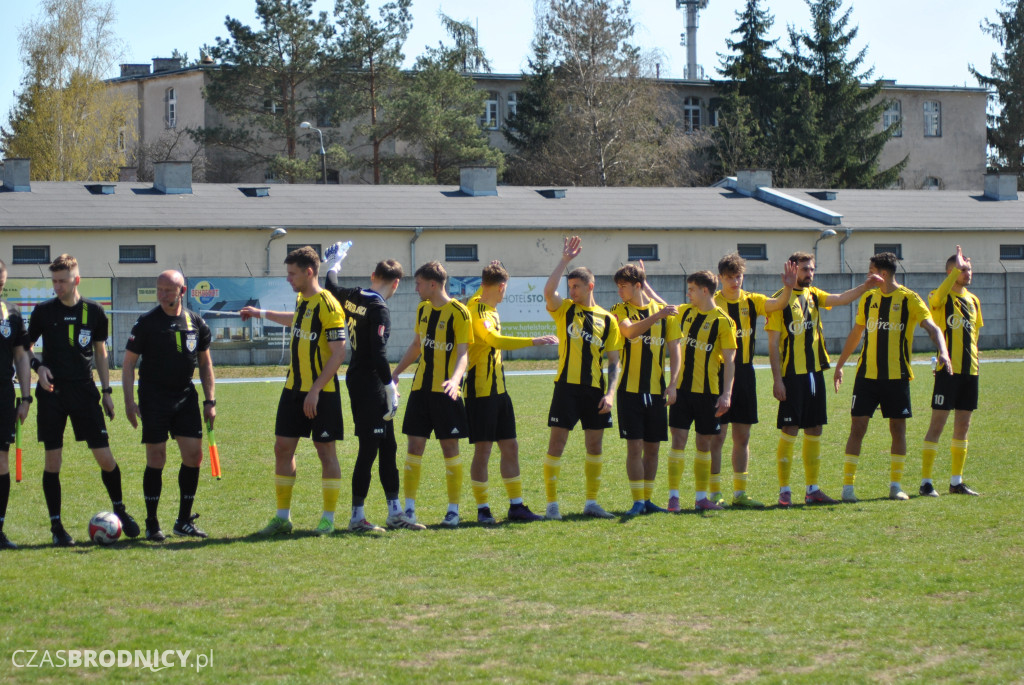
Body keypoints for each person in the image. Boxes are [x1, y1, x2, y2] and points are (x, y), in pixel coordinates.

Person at [26, 253, 141, 546]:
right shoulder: (43, 312)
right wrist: (38, 367)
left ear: (76, 280)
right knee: (53, 461)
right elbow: (25, 348)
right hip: (52, 394)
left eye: (62, 281)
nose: (57, 286)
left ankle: (120, 510)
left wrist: (107, 392)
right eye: (54, 281)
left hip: (84, 393)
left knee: (105, 458)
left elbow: (101, 352)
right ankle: (57, 527)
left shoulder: (95, 312)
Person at [241, 246, 347, 536]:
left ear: (308, 272)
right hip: (293, 389)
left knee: (325, 452)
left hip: (321, 393)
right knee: (282, 448)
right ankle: (282, 518)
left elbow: (339, 353)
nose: (288, 278)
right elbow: (296, 320)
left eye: (292, 273)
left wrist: (315, 390)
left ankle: (327, 519)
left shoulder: (329, 305)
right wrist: (260, 313)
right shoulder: (302, 299)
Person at [766, 252, 883, 507]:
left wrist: (865, 286)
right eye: (805, 269)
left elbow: (840, 299)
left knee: (815, 428)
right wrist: (777, 380)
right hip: (791, 375)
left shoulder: (814, 295)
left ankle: (812, 489)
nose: (810, 273)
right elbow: (773, 345)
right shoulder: (779, 301)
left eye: (812, 269)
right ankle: (784, 491)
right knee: (790, 429)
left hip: (815, 372)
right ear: (792, 270)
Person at [833, 252, 952, 502]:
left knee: (898, 429)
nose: (868, 275)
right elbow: (857, 332)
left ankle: (895, 486)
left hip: (897, 377)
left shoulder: (910, 299)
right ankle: (848, 487)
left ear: (883, 274)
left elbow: (933, 327)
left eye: (871, 271)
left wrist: (943, 351)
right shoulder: (868, 298)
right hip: (867, 376)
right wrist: (840, 364)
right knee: (857, 427)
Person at [322, 245, 424, 531]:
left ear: (372, 276)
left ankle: (395, 512)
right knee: (369, 448)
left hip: (361, 379)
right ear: (396, 283)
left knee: (388, 446)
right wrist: (390, 387)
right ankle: (357, 517)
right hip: (369, 384)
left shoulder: (355, 295)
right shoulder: (379, 308)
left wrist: (335, 264)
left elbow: (331, 288)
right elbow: (379, 353)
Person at [122, 270, 216, 541]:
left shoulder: (196, 323)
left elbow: (206, 364)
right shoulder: (146, 323)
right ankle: (152, 523)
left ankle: (183, 521)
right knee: (156, 458)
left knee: (193, 456)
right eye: (159, 290)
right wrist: (129, 403)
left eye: (168, 290)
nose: (162, 295)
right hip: (154, 398)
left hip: (185, 397)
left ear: (182, 292)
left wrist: (210, 401)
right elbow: (128, 364)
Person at [465, 261, 557, 524]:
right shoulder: (478, 310)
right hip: (480, 392)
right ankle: (483, 510)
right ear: (502, 287)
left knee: (510, 446)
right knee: (483, 450)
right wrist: (533, 340)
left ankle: (516, 506)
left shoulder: (486, 305)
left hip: (499, 390)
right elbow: (493, 340)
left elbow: (484, 286)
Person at [542, 236, 623, 520]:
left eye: (576, 286)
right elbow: (548, 292)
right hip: (565, 388)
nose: (572, 291)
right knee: (556, 445)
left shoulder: (608, 320)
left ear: (590, 286)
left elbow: (614, 362)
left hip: (594, 391)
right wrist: (564, 261)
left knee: (595, 446)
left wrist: (610, 394)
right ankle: (552, 505)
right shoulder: (565, 309)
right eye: (570, 287)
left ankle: (591, 502)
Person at [706, 254, 795, 509]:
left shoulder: (752, 300)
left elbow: (778, 304)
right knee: (717, 437)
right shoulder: (714, 303)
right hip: (718, 374)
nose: (735, 282)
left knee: (742, 437)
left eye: (739, 277)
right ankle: (714, 493)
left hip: (745, 374)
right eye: (730, 277)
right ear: (720, 278)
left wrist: (788, 287)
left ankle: (740, 493)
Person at [391, 261, 473, 528]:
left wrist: (455, 380)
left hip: (446, 392)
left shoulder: (459, 313)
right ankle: (410, 510)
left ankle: (453, 510)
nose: (415, 288)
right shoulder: (423, 309)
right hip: (421, 390)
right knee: (414, 446)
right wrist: (396, 372)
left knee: (450, 448)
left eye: (418, 284)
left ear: (433, 285)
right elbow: (417, 345)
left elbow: (463, 354)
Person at [609, 263, 678, 516]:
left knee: (653, 448)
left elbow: (675, 351)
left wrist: (673, 384)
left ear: (638, 286)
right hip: (629, 391)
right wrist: (657, 316)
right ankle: (637, 500)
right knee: (634, 446)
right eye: (618, 286)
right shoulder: (619, 309)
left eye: (623, 286)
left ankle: (647, 499)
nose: (619, 291)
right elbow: (629, 332)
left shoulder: (663, 312)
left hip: (657, 391)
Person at [665, 271, 738, 511]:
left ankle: (700, 498)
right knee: (678, 440)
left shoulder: (724, 322)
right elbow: (662, 305)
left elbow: (730, 362)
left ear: (704, 291)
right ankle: (673, 497)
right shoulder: (686, 312)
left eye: (692, 289)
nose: (688, 294)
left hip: (708, 393)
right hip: (681, 391)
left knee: (704, 444)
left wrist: (726, 394)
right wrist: (643, 284)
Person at [920, 245, 983, 496]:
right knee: (937, 425)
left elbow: (975, 334)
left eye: (969, 269)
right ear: (951, 272)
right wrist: (956, 270)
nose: (968, 273)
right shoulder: (940, 296)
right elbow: (935, 301)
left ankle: (956, 482)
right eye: (963, 269)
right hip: (947, 371)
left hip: (971, 371)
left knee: (963, 426)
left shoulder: (974, 300)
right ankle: (926, 482)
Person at [0, 260, 32, 549]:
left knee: (1, 462)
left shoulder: (11, 314)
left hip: (2, 396)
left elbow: (21, 356)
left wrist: (25, 397)